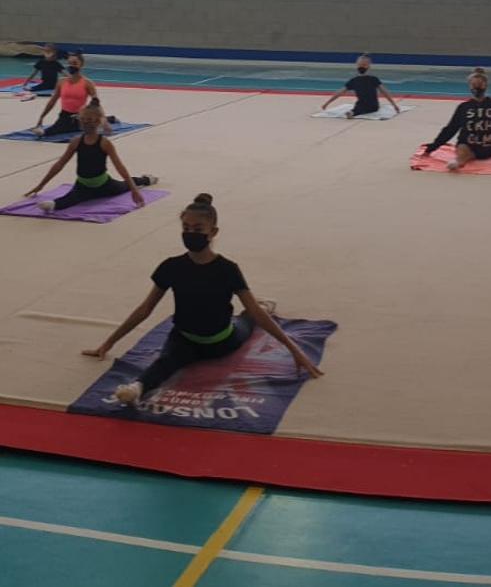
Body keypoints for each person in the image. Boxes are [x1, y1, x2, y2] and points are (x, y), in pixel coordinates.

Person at [82, 193, 324, 404]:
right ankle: (137, 388)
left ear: (212, 232)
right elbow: (145, 308)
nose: (190, 233)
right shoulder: (171, 266)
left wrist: (294, 350)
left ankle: (264, 304)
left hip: (224, 340)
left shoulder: (227, 269)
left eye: (197, 229)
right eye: (186, 228)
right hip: (184, 339)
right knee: (165, 362)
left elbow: (256, 314)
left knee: (250, 316)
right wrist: (108, 343)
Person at [23, 100, 156, 212]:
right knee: (72, 198)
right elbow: (59, 164)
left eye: (90, 120)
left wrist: (134, 190)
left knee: (123, 186)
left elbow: (120, 167)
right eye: (84, 120)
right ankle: (54, 204)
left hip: (104, 184)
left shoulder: (104, 143)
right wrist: (41, 185)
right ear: (80, 121)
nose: (87, 123)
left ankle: (145, 180)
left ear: (98, 122)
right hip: (83, 184)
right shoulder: (75, 142)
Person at [419, 69, 491, 171]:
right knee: (463, 149)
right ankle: (459, 161)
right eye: (474, 85)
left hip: (488, 148)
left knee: (470, 151)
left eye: (479, 85)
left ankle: (462, 160)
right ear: (470, 87)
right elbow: (450, 130)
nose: (477, 88)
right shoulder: (464, 107)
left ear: (486, 86)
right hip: (467, 144)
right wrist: (431, 149)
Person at [31, 52, 113, 137]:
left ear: (81, 65)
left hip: (81, 116)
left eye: (75, 63)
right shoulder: (61, 82)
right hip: (65, 115)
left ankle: (108, 119)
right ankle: (109, 119)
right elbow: (52, 101)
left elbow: (96, 103)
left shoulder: (87, 83)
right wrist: (42, 117)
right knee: (53, 130)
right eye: (69, 63)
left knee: (90, 128)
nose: (71, 66)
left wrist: (104, 121)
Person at [320, 54, 400, 118]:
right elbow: (385, 92)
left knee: (359, 107)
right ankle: (353, 112)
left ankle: (352, 112)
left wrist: (327, 103)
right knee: (361, 106)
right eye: (361, 65)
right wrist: (394, 104)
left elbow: (340, 93)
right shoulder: (368, 79)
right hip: (372, 105)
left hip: (367, 105)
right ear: (368, 67)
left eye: (362, 65)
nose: (361, 66)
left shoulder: (358, 80)